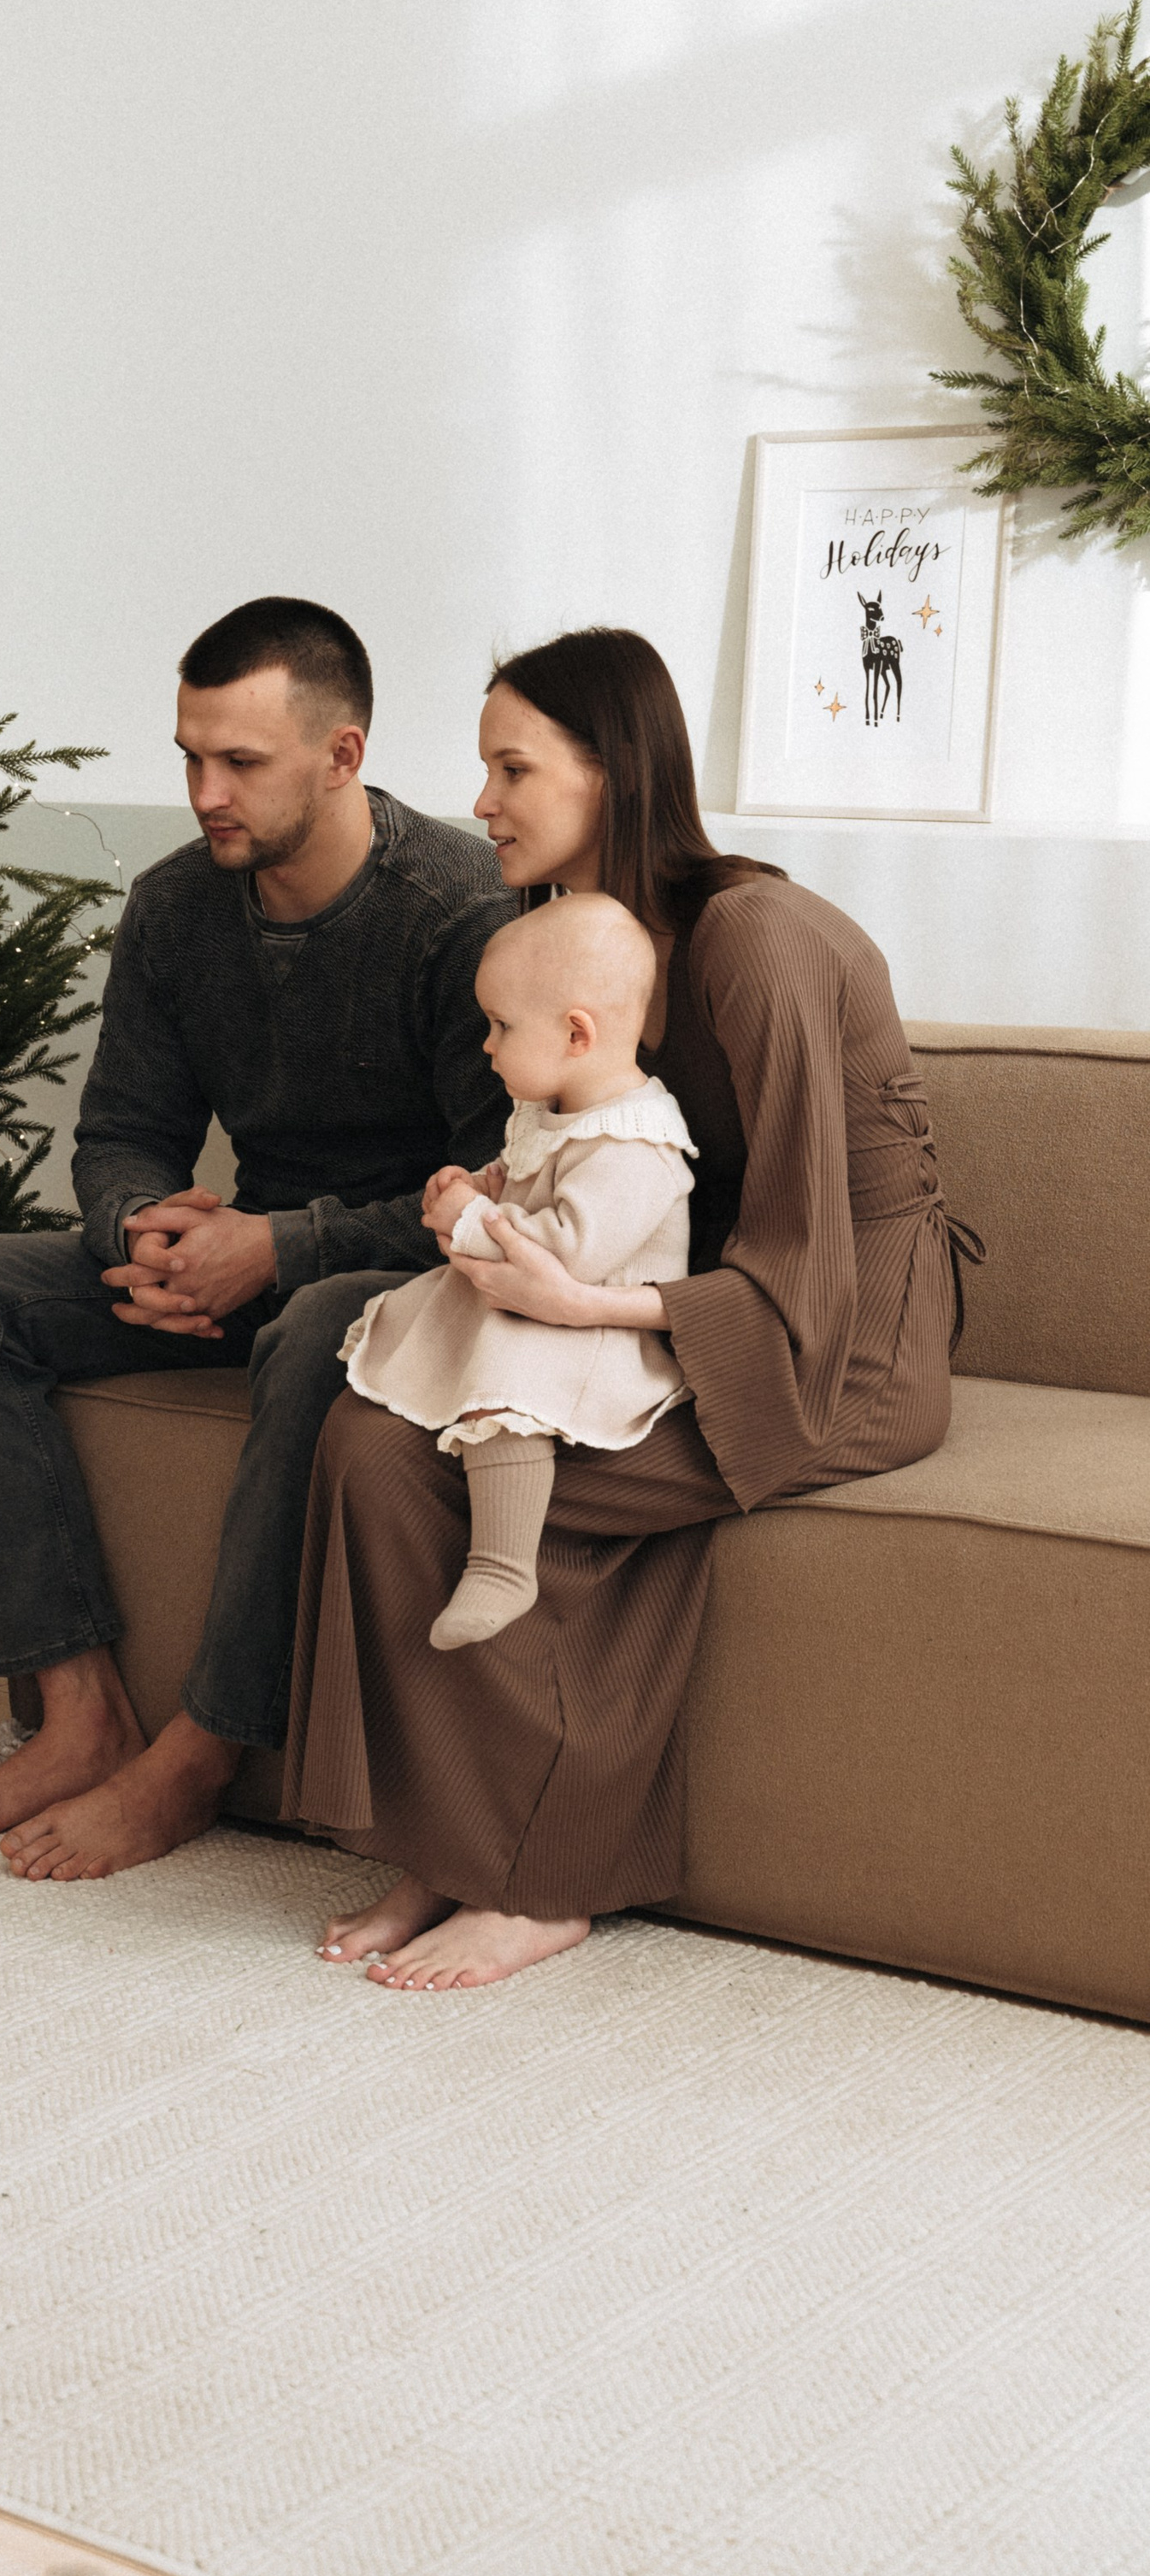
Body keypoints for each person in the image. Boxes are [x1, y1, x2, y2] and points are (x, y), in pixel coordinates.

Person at [289, 626, 971, 1994]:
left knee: (486, 1472)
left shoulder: (759, 942)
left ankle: (542, 1880)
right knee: (370, 1443)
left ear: (615, 773)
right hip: (669, 1292)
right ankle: (450, 1837)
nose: (481, 800)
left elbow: (801, 1253)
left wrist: (590, 1311)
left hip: (836, 1335)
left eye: (512, 767)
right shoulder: (567, 951)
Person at [0, 596, 511, 1876]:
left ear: (342, 756)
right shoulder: (178, 907)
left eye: (240, 762)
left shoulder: (463, 911)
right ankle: (76, 1712)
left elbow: (491, 1196)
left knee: (307, 1327)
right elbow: (118, 1132)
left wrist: (278, 1250)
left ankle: (199, 1755)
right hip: (242, 1267)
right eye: (189, 755)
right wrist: (145, 1236)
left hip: (406, 1280)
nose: (204, 791)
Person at [340, 895, 695, 1649]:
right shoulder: (555, 1106)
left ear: (576, 1033)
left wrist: (472, 1219)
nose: (487, 1048)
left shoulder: (638, 1142)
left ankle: (504, 1564)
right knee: (428, 1318)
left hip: (595, 1325)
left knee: (512, 1377)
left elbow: (569, 1251)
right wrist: (480, 1186)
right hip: (540, 1296)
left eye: (501, 1027)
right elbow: (525, 1176)